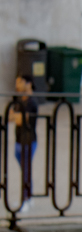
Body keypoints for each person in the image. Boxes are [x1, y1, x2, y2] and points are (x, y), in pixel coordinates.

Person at [8, 74, 39, 212]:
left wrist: (17, 117)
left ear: (29, 84)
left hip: (29, 140)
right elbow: (11, 116)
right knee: (25, 171)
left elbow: (22, 120)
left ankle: (26, 199)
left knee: (26, 171)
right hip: (19, 140)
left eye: (20, 82)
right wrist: (17, 117)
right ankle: (29, 196)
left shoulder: (32, 102)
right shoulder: (19, 100)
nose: (17, 85)